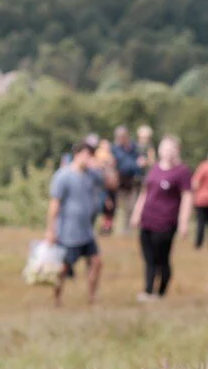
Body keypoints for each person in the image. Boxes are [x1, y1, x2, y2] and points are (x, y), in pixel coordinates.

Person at [45, 141, 112, 306]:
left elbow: (111, 184)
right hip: (69, 231)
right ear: (77, 154)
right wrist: (51, 230)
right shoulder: (63, 176)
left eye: (91, 155)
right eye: (86, 155)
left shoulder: (92, 175)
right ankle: (57, 298)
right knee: (64, 268)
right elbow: (54, 204)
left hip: (87, 230)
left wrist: (104, 166)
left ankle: (91, 297)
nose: (88, 159)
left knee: (96, 263)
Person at [132, 135, 193, 302]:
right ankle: (148, 290)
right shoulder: (155, 169)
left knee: (161, 257)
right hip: (147, 219)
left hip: (166, 221)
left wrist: (183, 222)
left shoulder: (182, 172)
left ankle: (160, 292)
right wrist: (136, 213)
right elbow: (145, 192)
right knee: (148, 257)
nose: (167, 152)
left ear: (177, 150)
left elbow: (187, 197)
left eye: (170, 148)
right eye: (164, 148)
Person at [112, 126, 143, 234]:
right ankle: (120, 230)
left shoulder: (134, 147)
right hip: (120, 182)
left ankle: (129, 230)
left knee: (132, 206)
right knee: (120, 208)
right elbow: (125, 165)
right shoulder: (115, 149)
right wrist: (137, 164)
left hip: (132, 182)